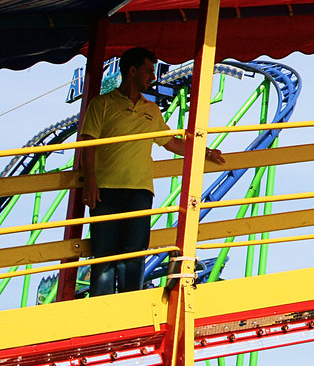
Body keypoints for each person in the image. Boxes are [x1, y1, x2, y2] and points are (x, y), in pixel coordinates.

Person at [79, 47, 225, 296]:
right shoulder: (102, 104)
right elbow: (87, 143)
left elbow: (172, 143)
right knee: (103, 257)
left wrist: (206, 151)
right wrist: (90, 180)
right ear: (132, 71)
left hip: (139, 191)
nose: (153, 77)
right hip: (105, 191)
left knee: (134, 257)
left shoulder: (152, 110)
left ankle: (129, 309)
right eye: (148, 71)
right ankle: (100, 311)